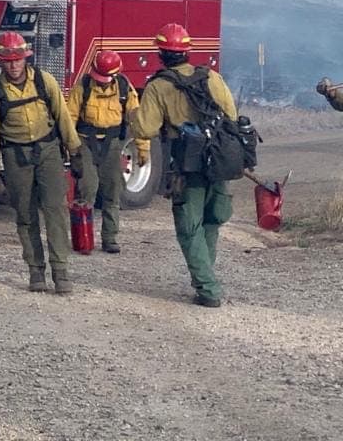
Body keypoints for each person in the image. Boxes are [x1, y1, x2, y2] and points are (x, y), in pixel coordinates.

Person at [130, 23, 237, 308]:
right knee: (212, 220)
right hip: (217, 160)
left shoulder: (158, 86)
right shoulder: (211, 77)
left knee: (190, 227)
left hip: (187, 166)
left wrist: (132, 110)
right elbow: (231, 114)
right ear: (187, 52)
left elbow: (144, 129)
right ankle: (205, 280)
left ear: (161, 54)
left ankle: (208, 289)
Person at [0, 32, 83, 294]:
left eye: (17, 60)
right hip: (16, 157)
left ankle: (61, 271)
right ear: (0, 62)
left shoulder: (44, 81)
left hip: (48, 152)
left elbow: (63, 117)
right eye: (7, 61)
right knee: (25, 216)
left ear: (26, 58)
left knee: (55, 211)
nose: (13, 66)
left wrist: (75, 151)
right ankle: (36, 272)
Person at [64, 51, 142, 254]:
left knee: (112, 191)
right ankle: (83, 239)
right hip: (85, 141)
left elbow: (137, 120)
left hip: (112, 143)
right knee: (87, 189)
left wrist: (144, 150)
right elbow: (69, 117)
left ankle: (110, 238)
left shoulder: (124, 88)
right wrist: (71, 149)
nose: (102, 83)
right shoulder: (83, 86)